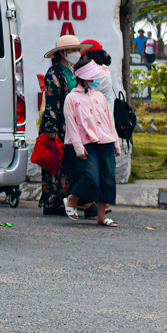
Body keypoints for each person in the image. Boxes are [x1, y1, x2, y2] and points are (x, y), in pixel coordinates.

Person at [64, 54, 122, 226]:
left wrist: (116, 142)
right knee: (91, 176)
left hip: (106, 141)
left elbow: (108, 121)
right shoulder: (71, 98)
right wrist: (78, 147)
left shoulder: (100, 97)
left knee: (108, 177)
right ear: (83, 77)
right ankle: (72, 199)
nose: (96, 79)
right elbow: (72, 125)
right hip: (87, 144)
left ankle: (101, 215)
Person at [37, 31, 84, 216]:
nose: (77, 53)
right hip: (58, 125)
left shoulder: (75, 71)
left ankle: (65, 198)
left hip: (72, 126)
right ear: (63, 53)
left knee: (68, 165)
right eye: (74, 50)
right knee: (54, 163)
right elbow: (51, 101)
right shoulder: (54, 73)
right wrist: (51, 128)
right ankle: (51, 202)